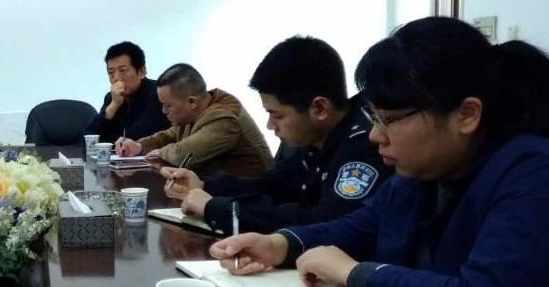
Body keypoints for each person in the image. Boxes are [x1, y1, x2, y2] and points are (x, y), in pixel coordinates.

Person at [210, 17, 549, 287]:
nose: (375, 135)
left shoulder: (532, 173)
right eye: (373, 117)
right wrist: (279, 244)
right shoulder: (425, 169)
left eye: (389, 120)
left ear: (466, 115)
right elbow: (360, 225)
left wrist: (355, 274)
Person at [161, 36, 391, 234]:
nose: (271, 126)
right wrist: (206, 185)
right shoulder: (316, 139)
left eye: (276, 115)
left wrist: (217, 208)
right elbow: (273, 183)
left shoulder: (363, 146)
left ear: (319, 108)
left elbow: (322, 223)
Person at [116, 63, 273, 176]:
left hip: (253, 198)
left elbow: (184, 154)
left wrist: (160, 152)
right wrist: (138, 146)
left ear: (192, 102)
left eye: (168, 105)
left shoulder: (224, 118)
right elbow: (168, 135)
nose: (163, 111)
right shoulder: (196, 111)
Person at [86, 41, 170, 144]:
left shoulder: (158, 94)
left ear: (141, 72)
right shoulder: (112, 98)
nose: (116, 78)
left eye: (122, 70)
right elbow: (89, 139)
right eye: (111, 73)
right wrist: (113, 106)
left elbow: (137, 137)